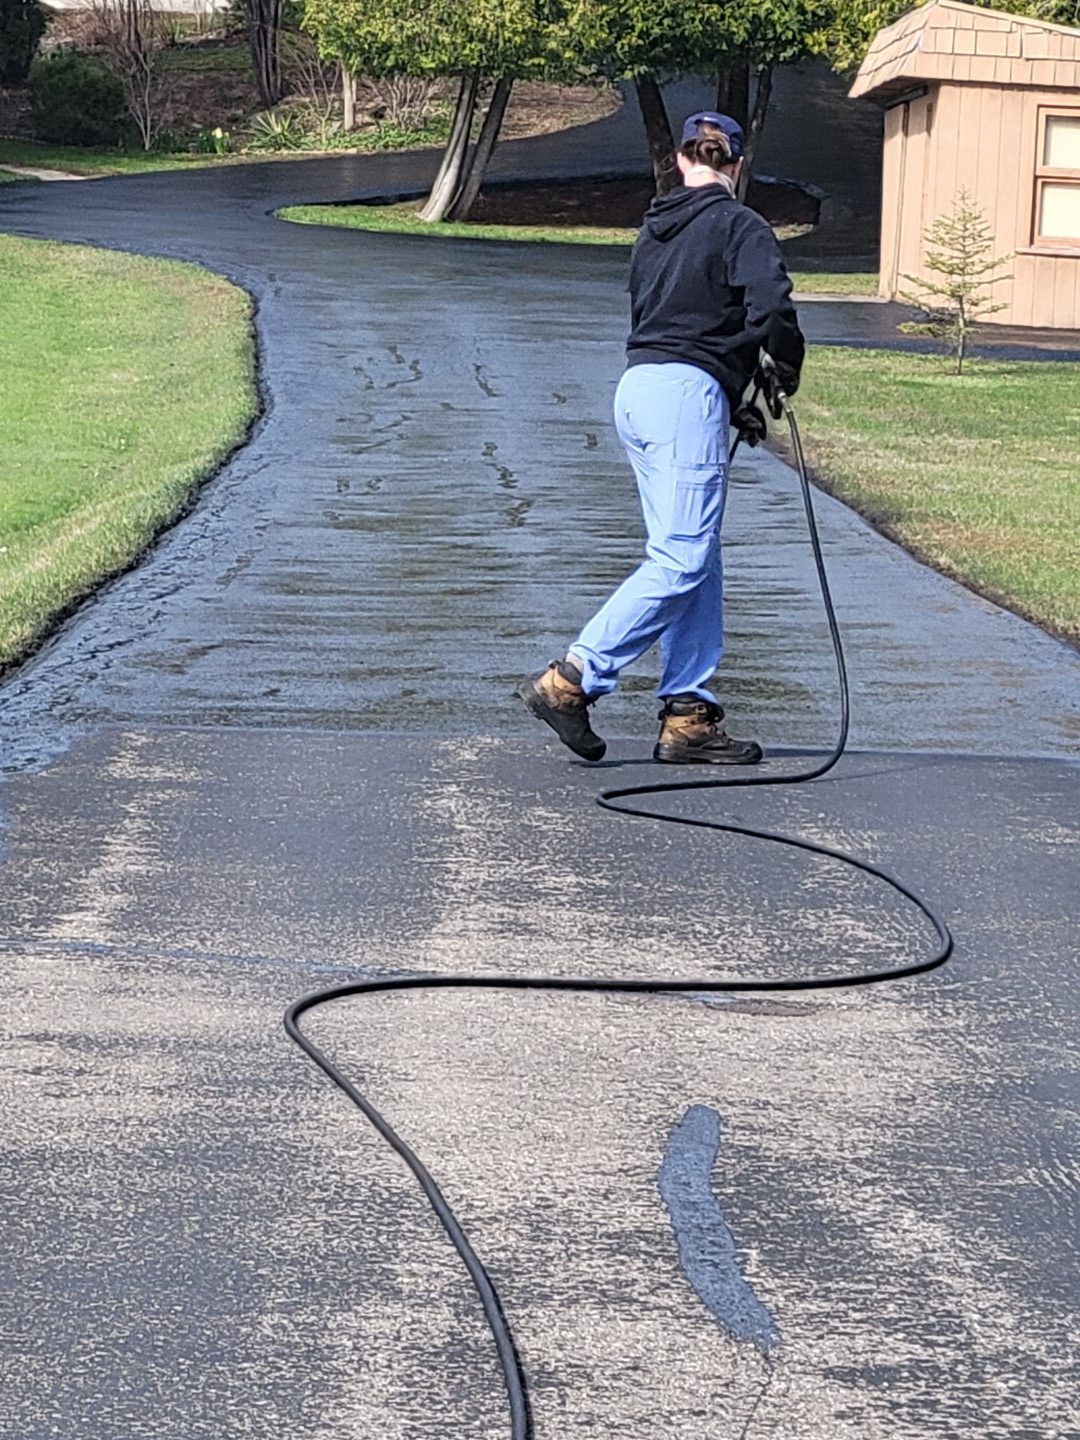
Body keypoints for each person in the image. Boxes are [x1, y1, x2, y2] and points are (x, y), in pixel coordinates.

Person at [519, 111, 805, 765]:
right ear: (736, 164)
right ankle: (571, 680)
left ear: (681, 160)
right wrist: (781, 370)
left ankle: (688, 717)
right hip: (683, 398)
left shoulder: (653, 230)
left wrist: (732, 393)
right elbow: (771, 308)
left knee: (695, 555)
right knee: (681, 557)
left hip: (639, 389)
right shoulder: (740, 224)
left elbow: (678, 320)